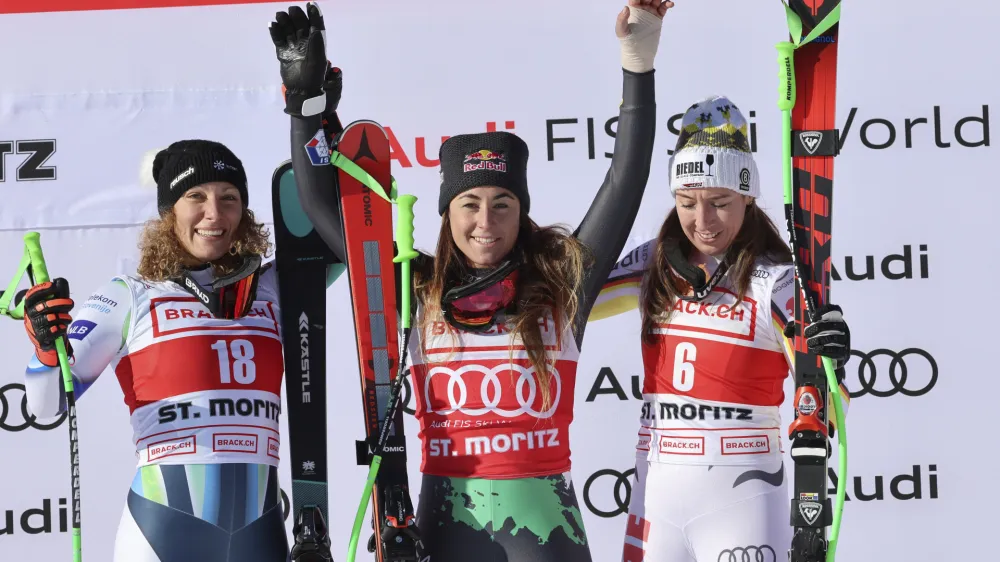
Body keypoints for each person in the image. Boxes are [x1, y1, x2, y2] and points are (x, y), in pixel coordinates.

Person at [269, 1, 674, 559]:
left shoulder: (562, 287)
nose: (486, 223)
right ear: (447, 214)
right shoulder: (415, 290)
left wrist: (637, 60)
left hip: (548, 538)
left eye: (503, 204)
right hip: (445, 527)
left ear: (523, 210)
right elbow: (318, 201)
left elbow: (625, 179)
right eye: (470, 204)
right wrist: (305, 109)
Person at [588, 96, 852, 562]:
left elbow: (829, 407)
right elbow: (568, 307)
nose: (702, 221)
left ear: (748, 196)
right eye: (687, 202)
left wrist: (831, 363)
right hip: (656, 493)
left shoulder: (776, 280)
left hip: (743, 496)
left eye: (720, 203)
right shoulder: (655, 264)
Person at [20, 140, 293, 561]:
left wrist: (312, 116)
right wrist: (44, 347)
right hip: (163, 532)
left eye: (229, 198)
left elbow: (345, 236)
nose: (214, 214)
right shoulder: (130, 295)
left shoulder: (274, 287)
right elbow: (46, 405)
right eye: (195, 197)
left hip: (262, 533)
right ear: (169, 213)